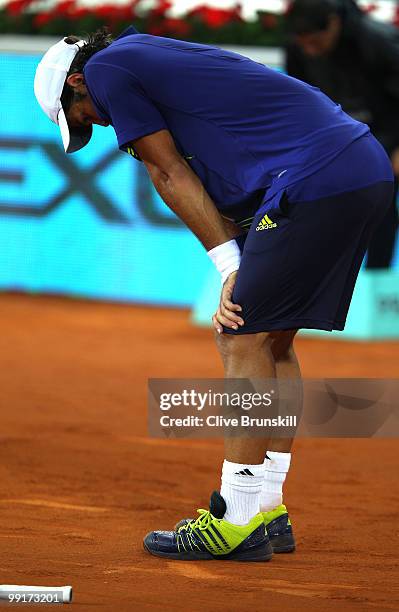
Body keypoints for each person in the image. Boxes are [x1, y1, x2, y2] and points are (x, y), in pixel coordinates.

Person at [34, 26, 393, 561]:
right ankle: (267, 508)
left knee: (239, 334)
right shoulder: (147, 54)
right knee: (272, 342)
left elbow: (167, 169)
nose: (99, 124)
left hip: (315, 176)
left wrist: (228, 265)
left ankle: (238, 518)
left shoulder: (110, 71)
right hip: (359, 166)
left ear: (80, 82)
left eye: (82, 114)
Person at [285, 0, 399, 268]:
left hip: (388, 134)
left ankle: (375, 283)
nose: (309, 51)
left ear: (333, 23)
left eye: (315, 41)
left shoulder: (379, 41)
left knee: (379, 205)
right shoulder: (298, 45)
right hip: (336, 139)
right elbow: (298, 99)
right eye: (304, 43)